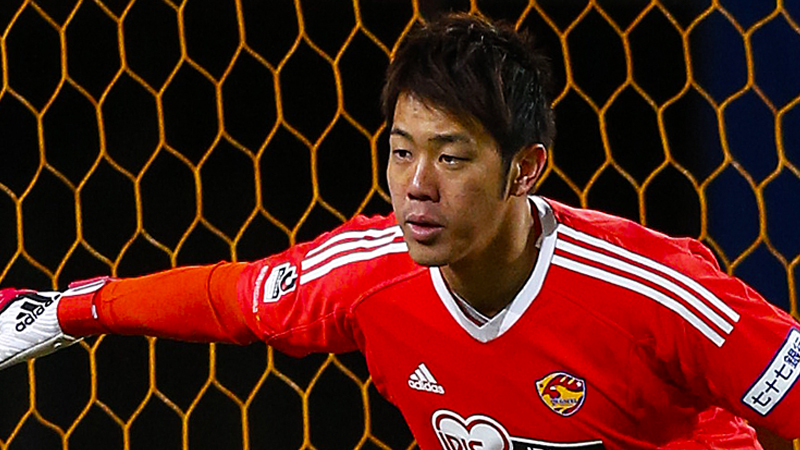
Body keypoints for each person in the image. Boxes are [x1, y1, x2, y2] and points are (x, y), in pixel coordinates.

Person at [1, 13, 798, 449]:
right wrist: (65, 312)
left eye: (450, 157)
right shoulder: (366, 275)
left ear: (525, 169)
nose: (417, 184)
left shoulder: (656, 290)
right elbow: (229, 300)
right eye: (401, 151)